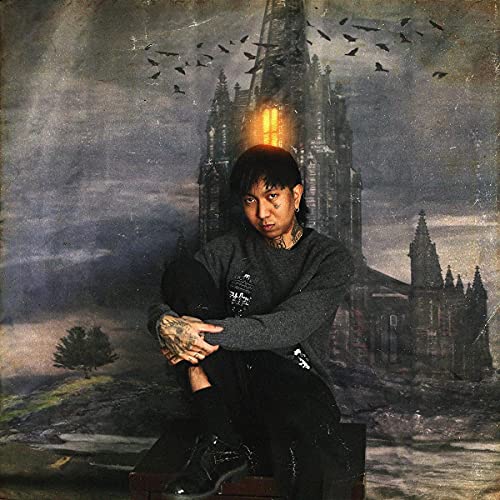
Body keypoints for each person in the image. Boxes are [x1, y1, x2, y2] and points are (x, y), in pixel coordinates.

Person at [147, 144, 355, 500]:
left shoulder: (329, 258)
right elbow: (170, 298)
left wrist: (196, 335)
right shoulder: (228, 249)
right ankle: (222, 445)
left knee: (305, 452)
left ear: (296, 195)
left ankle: (223, 440)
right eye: (250, 201)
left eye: (272, 197)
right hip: (233, 383)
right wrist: (164, 324)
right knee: (182, 271)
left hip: (294, 385)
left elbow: (288, 326)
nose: (262, 213)